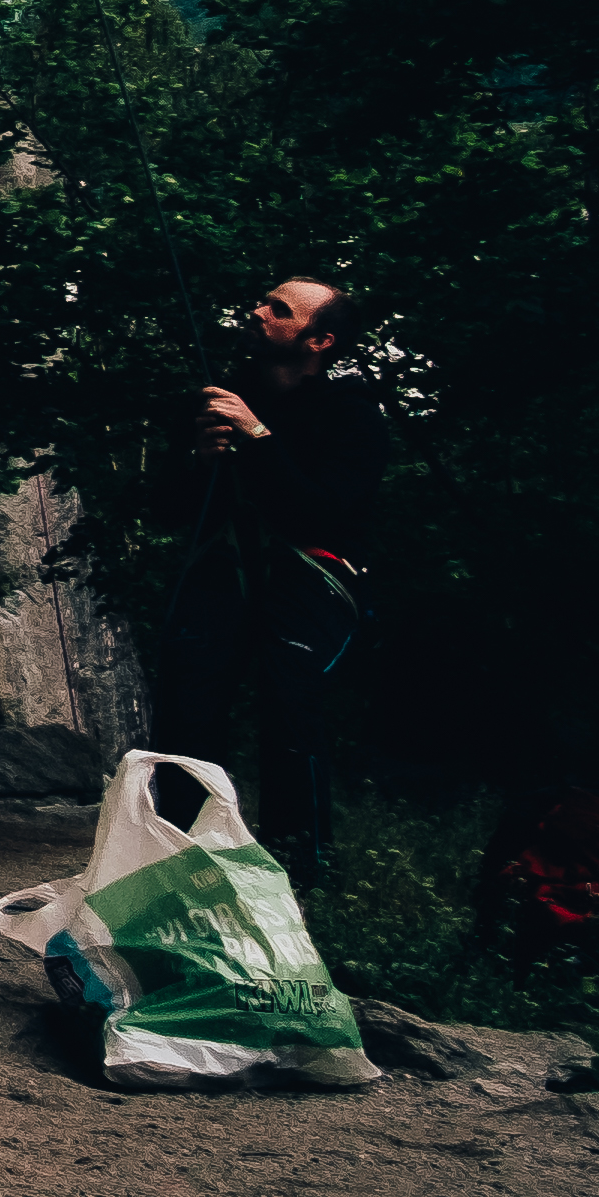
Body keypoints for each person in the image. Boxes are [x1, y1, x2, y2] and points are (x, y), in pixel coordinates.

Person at [183, 271, 387, 884]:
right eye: (263, 301)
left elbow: (324, 514)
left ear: (319, 342)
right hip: (232, 571)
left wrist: (259, 437)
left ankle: (301, 864)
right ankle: (177, 849)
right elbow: (172, 512)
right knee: (191, 702)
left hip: (316, 580)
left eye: (279, 309)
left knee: (289, 697)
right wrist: (199, 462)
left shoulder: (350, 416)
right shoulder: (222, 399)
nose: (258, 311)